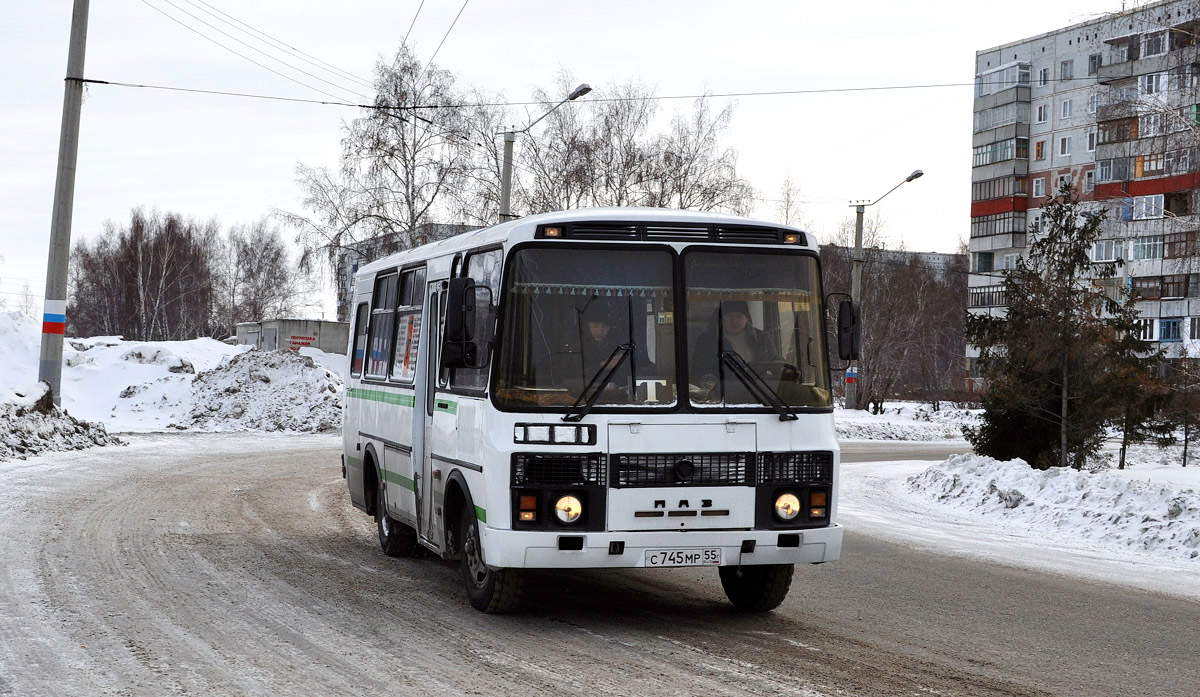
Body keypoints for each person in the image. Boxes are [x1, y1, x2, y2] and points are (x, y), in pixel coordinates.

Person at [690, 301, 780, 400]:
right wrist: (712, 385)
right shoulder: (707, 340)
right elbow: (701, 369)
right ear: (721, 318)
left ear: (747, 318)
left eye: (739, 316)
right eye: (729, 316)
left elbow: (774, 362)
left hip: (762, 394)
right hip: (723, 396)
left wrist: (784, 371)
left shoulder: (762, 338)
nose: (734, 321)